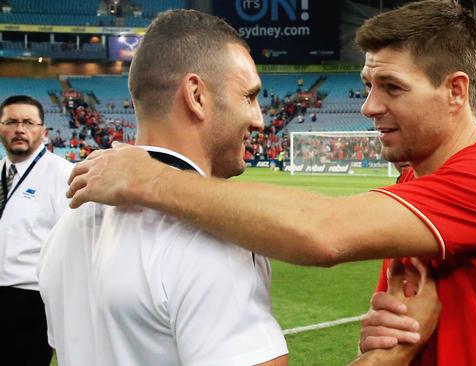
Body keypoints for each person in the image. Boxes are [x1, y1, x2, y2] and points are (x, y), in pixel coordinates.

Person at [66, 1, 476, 364]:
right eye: (368, 86)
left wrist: (150, 179)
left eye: (391, 87)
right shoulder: (413, 188)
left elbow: (324, 232)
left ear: (456, 91)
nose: (370, 106)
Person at [38, 11, 289, 366]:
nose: (259, 118)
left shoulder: (66, 228)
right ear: (196, 95)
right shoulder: (213, 234)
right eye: (249, 96)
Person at [0, 95, 72, 365]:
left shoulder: (63, 174)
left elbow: (71, 247)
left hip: (30, 301)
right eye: (11, 121)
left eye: (28, 122)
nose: (20, 128)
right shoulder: (0, 172)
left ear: (43, 130)